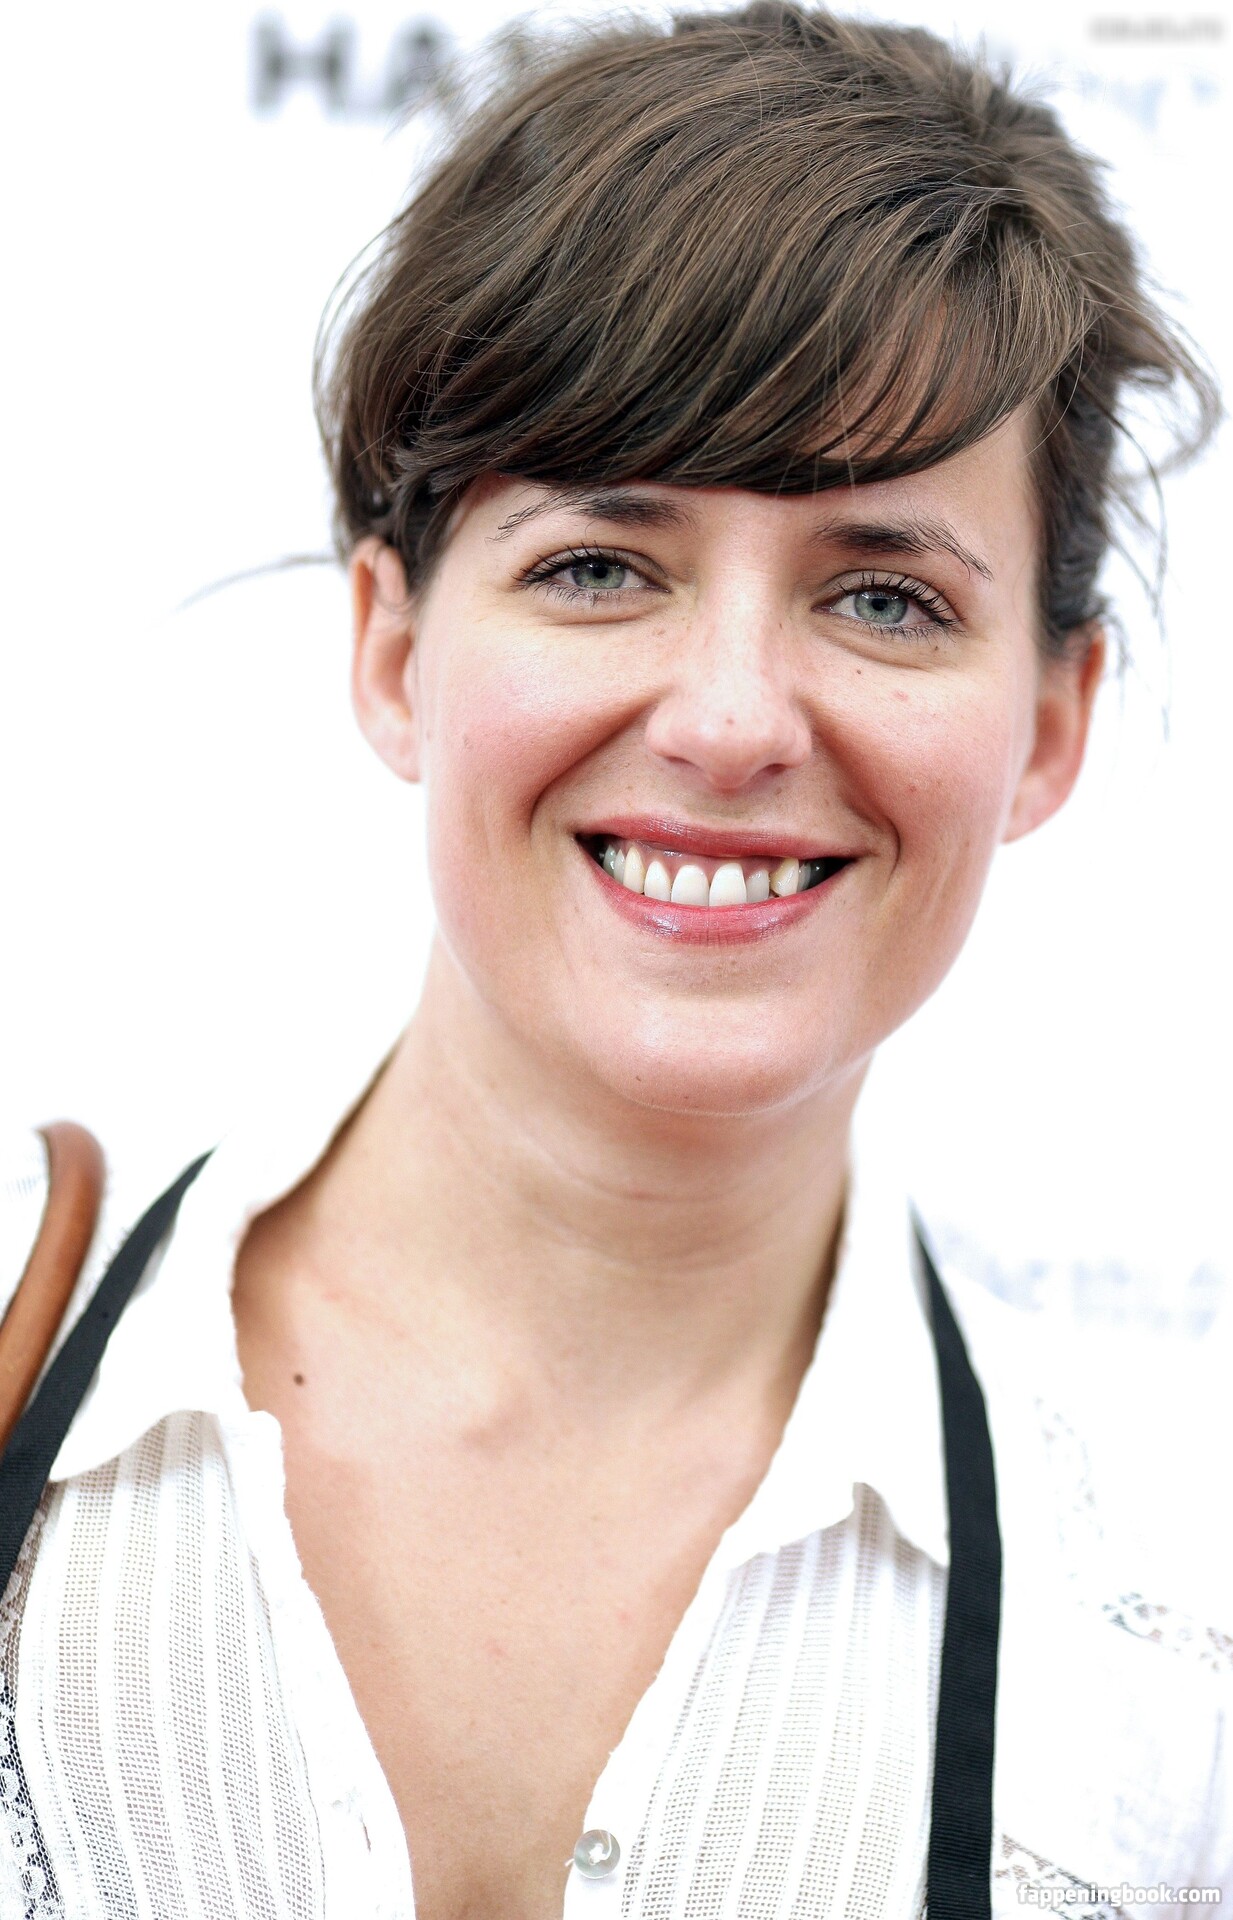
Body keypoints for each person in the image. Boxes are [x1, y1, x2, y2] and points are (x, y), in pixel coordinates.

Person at [0, 4, 1225, 1916]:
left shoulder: (1173, 1679)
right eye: (596, 566)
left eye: (883, 596)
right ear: (393, 650)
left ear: (1049, 724)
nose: (730, 721)